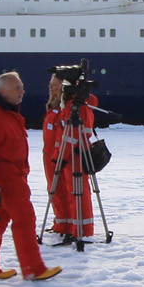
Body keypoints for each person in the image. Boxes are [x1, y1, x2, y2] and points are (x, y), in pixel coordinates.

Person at [0, 71, 61, 282]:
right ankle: (34, 269)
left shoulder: (8, 114)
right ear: (3, 91)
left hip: (13, 176)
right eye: (17, 88)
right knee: (24, 220)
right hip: (6, 179)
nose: (22, 91)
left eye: (22, 87)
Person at [42, 72, 99, 243]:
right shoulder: (58, 105)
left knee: (76, 192)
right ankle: (64, 225)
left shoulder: (74, 107)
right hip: (56, 155)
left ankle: (81, 230)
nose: (50, 87)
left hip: (70, 156)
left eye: (55, 84)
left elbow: (72, 135)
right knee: (60, 192)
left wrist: (60, 155)